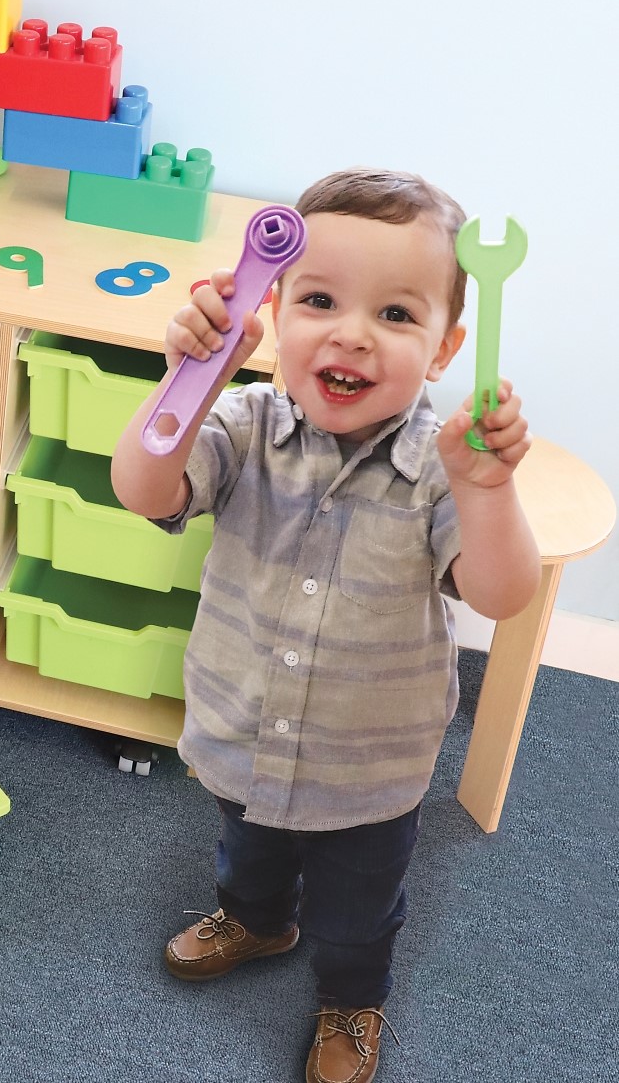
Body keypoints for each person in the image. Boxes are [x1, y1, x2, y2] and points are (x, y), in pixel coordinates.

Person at [110, 168, 540, 1083]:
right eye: (317, 299)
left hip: (367, 767)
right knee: (245, 853)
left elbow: (502, 594)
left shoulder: (440, 465)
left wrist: (486, 488)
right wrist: (191, 379)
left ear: (441, 347)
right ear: (272, 309)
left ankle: (352, 998)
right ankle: (259, 921)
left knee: (359, 908)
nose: (350, 332)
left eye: (394, 314)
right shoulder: (242, 420)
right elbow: (142, 486)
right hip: (240, 731)